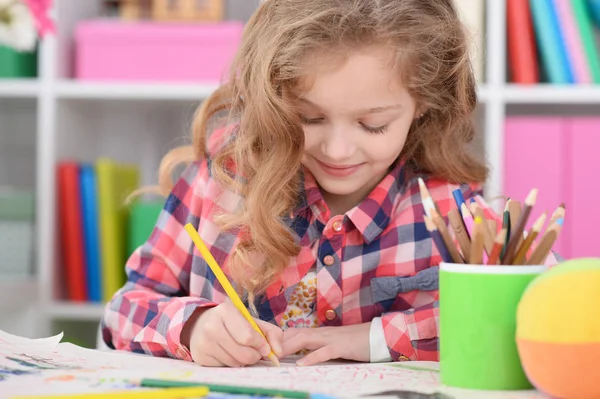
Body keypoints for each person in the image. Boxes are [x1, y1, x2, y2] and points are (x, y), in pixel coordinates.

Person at [102, 0, 493, 367]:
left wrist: (373, 338)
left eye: (372, 125)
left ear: (423, 101)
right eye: (308, 118)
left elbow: (511, 314)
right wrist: (192, 326)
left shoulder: (450, 208)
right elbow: (122, 311)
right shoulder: (226, 177)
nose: (338, 151)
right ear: (273, 97)